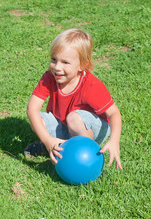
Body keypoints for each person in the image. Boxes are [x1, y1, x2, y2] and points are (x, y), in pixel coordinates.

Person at [25, 28, 122, 170]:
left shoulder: (91, 85)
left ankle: (84, 153)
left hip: (91, 128)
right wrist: (47, 140)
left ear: (83, 65)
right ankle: (53, 147)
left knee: (74, 118)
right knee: (37, 119)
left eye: (65, 62)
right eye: (54, 60)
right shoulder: (49, 78)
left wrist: (114, 141)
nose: (57, 67)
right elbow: (31, 109)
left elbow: (114, 113)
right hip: (64, 126)